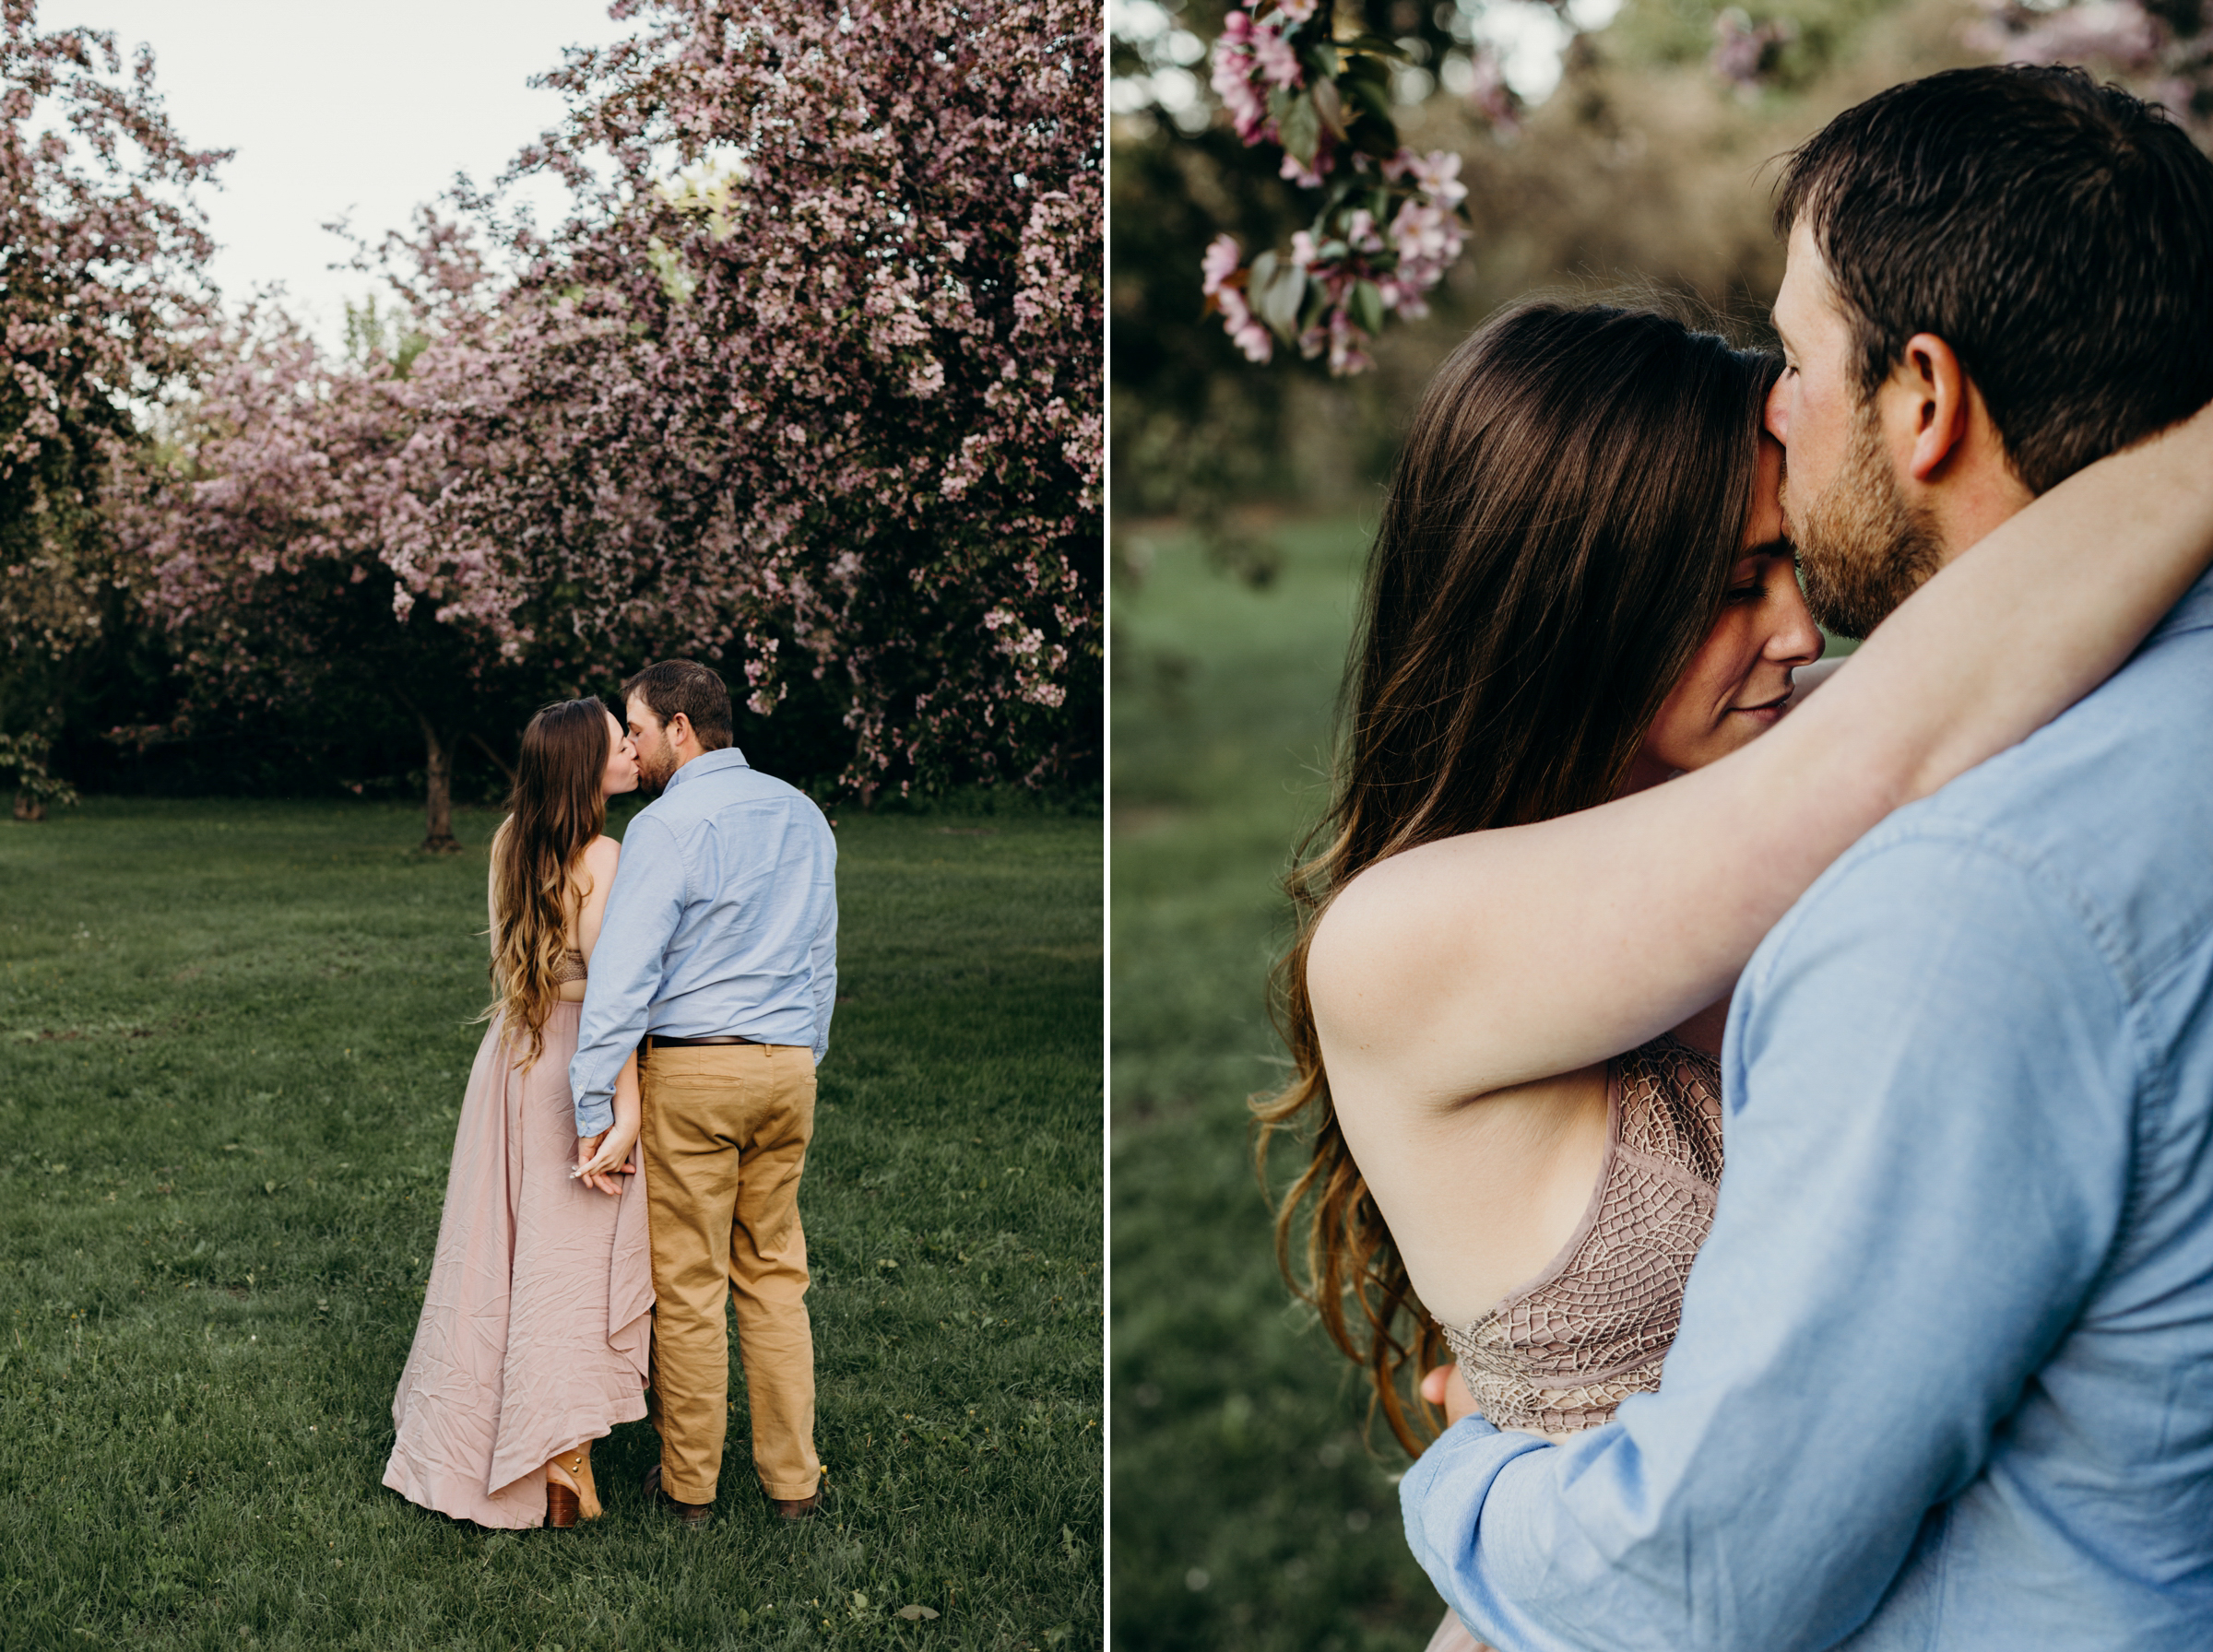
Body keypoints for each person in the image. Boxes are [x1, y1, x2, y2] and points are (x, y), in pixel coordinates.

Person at [1379, 67, 2213, 1648]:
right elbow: (1896, 724)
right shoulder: (1409, 932)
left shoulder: (1955, 870)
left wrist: (1468, 1476)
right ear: (1577, 606)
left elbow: (1707, 1579)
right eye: (1722, 581)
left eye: (1797, 350)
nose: (1792, 627)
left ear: (1921, 397)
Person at [570, 658, 838, 1526]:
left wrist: (591, 1105)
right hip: (787, 1069)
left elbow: (622, 974)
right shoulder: (802, 814)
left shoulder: (667, 824)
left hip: (694, 1069)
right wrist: (803, 1054)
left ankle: (690, 1490)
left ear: (680, 728)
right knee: (774, 1277)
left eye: (638, 730)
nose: (633, 749)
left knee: (688, 1288)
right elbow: (819, 962)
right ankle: (794, 1486)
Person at [385, 698, 652, 1529]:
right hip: (578, 1059)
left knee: (496, 1254)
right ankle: (562, 1451)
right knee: (570, 1261)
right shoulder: (611, 855)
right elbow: (616, 996)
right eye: (619, 743)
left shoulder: (507, 842)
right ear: (586, 766)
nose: (632, 751)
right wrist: (626, 1108)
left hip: (512, 1053)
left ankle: (492, 1440)